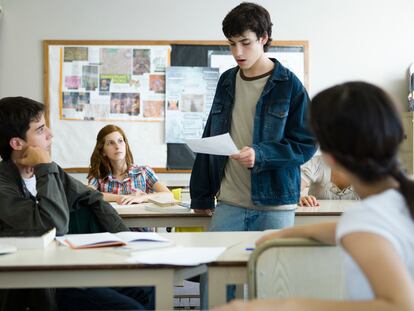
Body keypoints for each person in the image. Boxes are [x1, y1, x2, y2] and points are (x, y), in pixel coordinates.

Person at [216, 82, 414, 311]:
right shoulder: (396, 200)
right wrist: (288, 233)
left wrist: (276, 307)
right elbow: (352, 229)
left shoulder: (365, 221)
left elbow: (400, 305)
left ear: (328, 157)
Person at [0, 97, 154, 310]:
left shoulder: (52, 172)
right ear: (17, 143)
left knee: (148, 287)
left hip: (68, 267)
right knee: (131, 308)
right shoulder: (5, 184)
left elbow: (94, 199)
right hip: (43, 284)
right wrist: (44, 165)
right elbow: (54, 225)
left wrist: (128, 240)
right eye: (40, 130)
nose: (50, 134)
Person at [190, 2, 316, 231]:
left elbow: (306, 144)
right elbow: (211, 134)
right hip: (229, 202)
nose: (237, 52)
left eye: (245, 43)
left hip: (276, 204)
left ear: (263, 38)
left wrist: (262, 154)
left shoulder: (289, 85)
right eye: (232, 44)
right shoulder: (226, 81)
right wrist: (201, 196)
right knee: (217, 266)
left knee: (271, 268)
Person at [88, 124, 170, 205]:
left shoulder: (143, 171)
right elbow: (88, 195)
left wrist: (141, 198)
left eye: (120, 141)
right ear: (103, 151)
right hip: (112, 218)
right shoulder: (98, 175)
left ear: (125, 145)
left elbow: (168, 195)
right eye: (111, 143)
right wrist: (120, 197)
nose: (117, 146)